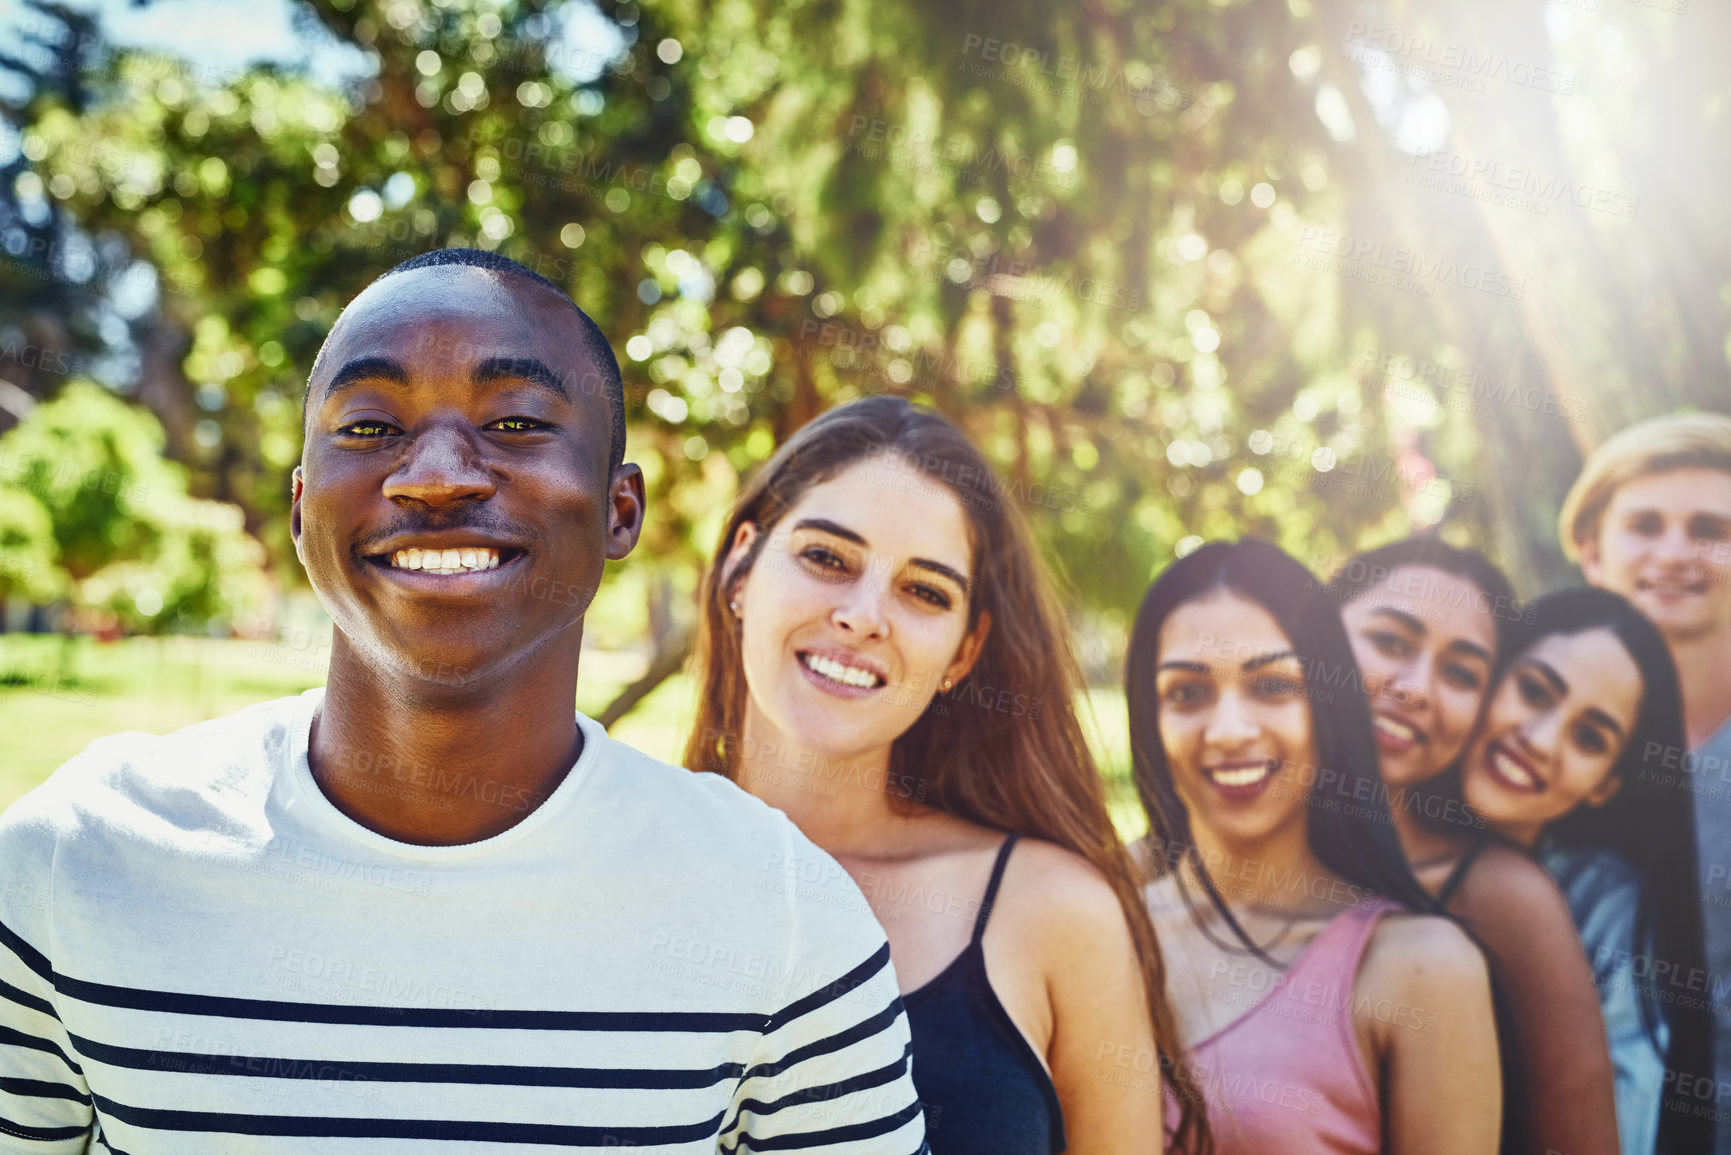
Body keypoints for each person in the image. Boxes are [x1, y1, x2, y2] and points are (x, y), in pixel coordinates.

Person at [0, 249, 929, 1153]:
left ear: (619, 510)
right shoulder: (73, 864)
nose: (436, 474)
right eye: (369, 426)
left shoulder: (782, 909)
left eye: (516, 420)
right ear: (298, 508)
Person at [682, 395, 1206, 1153]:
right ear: (740, 567)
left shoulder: (1054, 911)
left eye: (924, 590)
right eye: (827, 557)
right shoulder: (611, 858)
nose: (864, 616)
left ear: (964, 652)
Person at [1127, 538, 1501, 1155]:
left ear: (1329, 706)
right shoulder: (1100, 924)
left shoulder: (1422, 969)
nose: (1229, 731)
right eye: (1187, 693)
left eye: (1272, 686)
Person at [1330, 537, 1623, 1155]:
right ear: (1315, 634)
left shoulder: (1503, 897)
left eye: (1461, 673)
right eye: (1390, 642)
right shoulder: (1185, 860)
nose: (1417, 689)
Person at [1459, 587, 1712, 1155]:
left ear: (1605, 786)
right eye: (1533, 690)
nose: (1541, 741)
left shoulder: (1607, 910)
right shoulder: (1356, 831)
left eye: (1590, 738)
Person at [1561, 411, 1731, 1152]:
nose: (1674, 551)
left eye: (1706, 526)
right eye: (1645, 524)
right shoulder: (1528, 748)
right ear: (1591, 550)